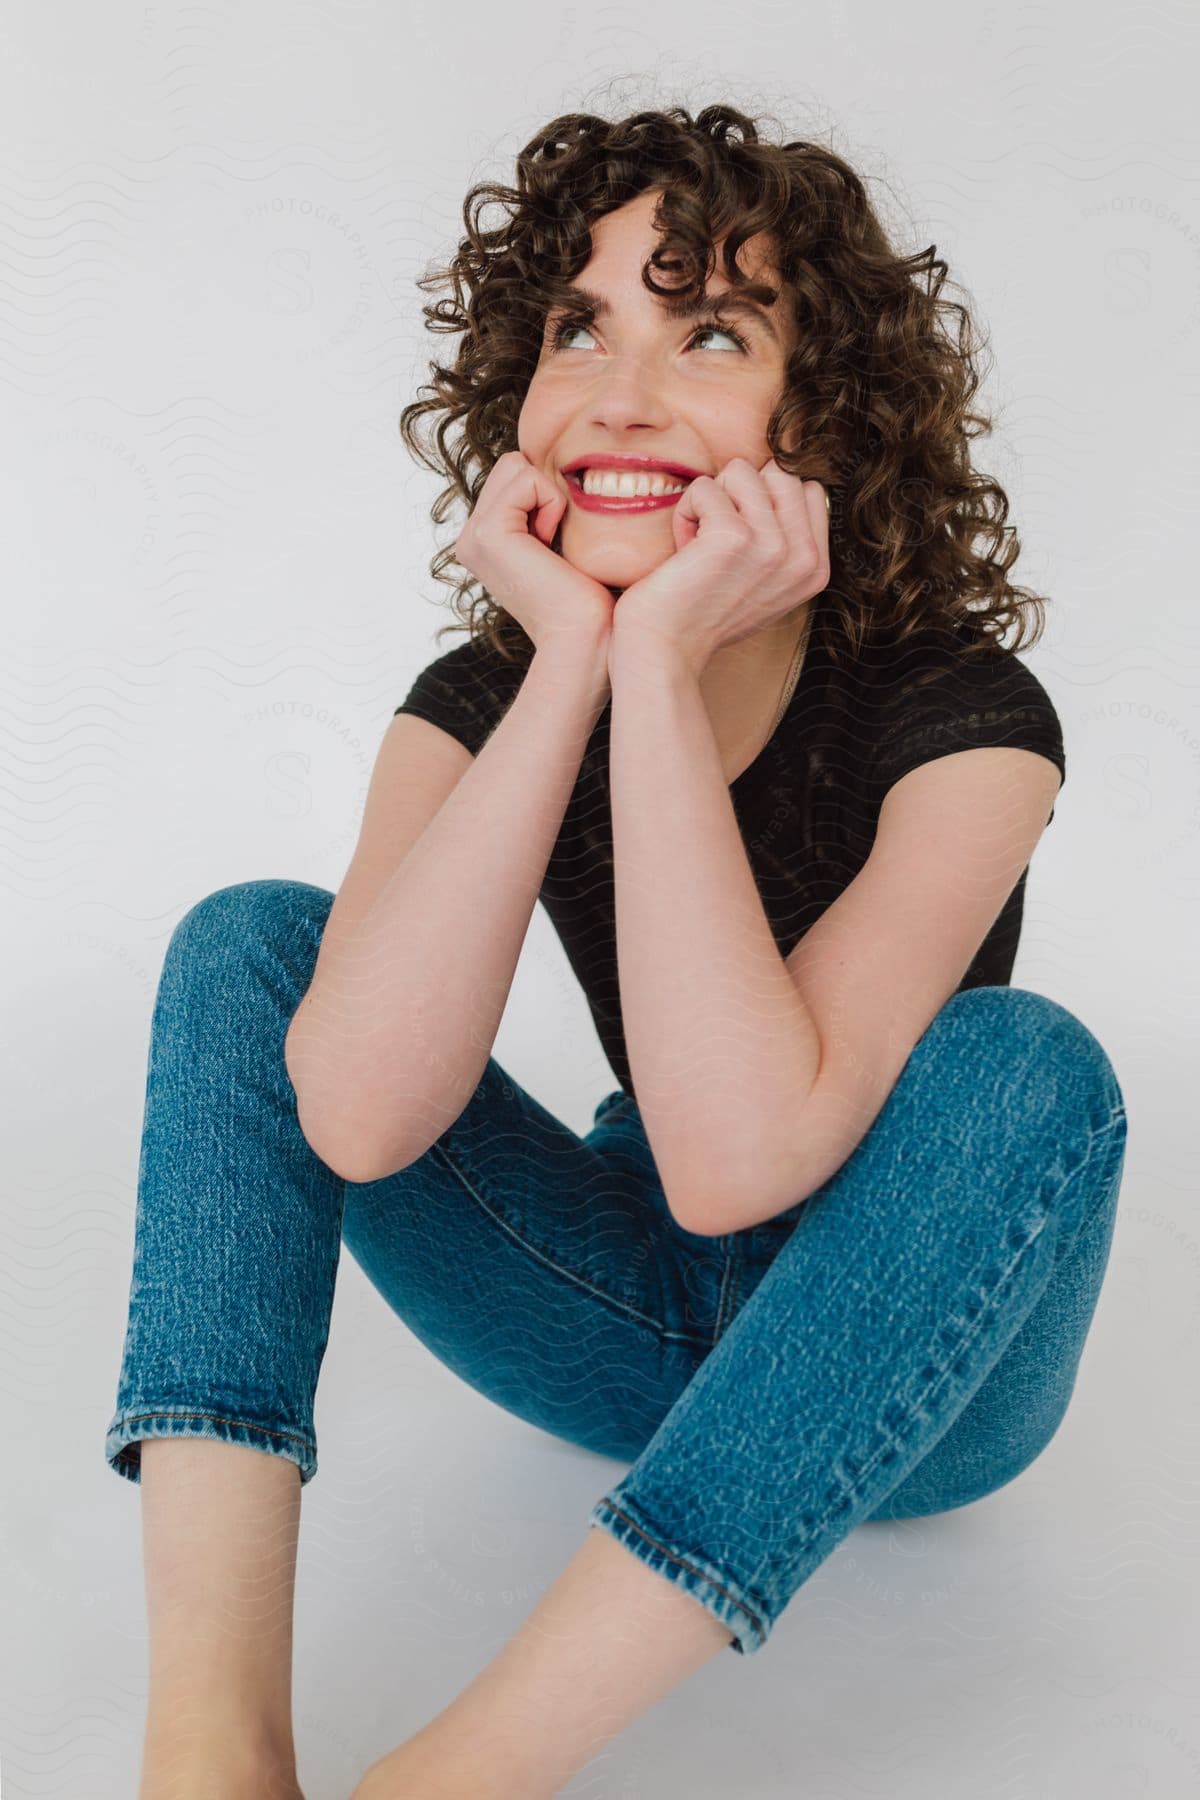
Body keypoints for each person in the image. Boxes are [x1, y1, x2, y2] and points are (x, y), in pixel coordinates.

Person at [105, 104, 1128, 1800]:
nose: (623, 390)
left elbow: (744, 1163)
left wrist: (656, 669)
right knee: (257, 954)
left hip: (922, 1369)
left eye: (711, 329)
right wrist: (566, 662)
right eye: (582, 326)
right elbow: (357, 1115)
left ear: (826, 419)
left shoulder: (966, 721)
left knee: (1027, 1065)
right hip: (620, 1312)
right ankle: (208, 1755)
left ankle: (452, 1784)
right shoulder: (478, 708)